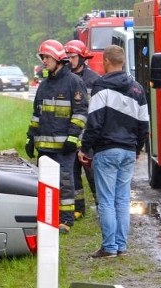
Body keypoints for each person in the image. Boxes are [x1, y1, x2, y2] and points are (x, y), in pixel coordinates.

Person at [78, 45, 149, 258]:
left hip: (106, 150)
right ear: (123, 62)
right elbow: (144, 125)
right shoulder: (137, 89)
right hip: (128, 151)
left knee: (107, 200)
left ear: (107, 61)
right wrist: (137, 149)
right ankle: (121, 245)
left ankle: (109, 247)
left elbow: (94, 122)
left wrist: (85, 148)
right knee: (122, 199)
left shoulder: (101, 86)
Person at [25, 39, 89, 234]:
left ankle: (66, 220)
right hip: (44, 146)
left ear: (58, 58)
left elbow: (80, 113)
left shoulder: (74, 82)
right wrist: (30, 136)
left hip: (64, 148)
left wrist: (72, 137)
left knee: (65, 183)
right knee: (45, 184)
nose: (44, 61)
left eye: (47, 57)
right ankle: (48, 218)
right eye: (43, 58)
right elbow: (37, 114)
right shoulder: (44, 85)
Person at [65, 39, 101, 220]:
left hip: (89, 136)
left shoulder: (95, 80)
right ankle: (78, 209)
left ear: (82, 57)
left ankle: (102, 206)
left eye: (73, 57)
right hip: (71, 134)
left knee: (93, 175)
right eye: (68, 57)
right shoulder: (65, 79)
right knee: (73, 175)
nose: (70, 60)